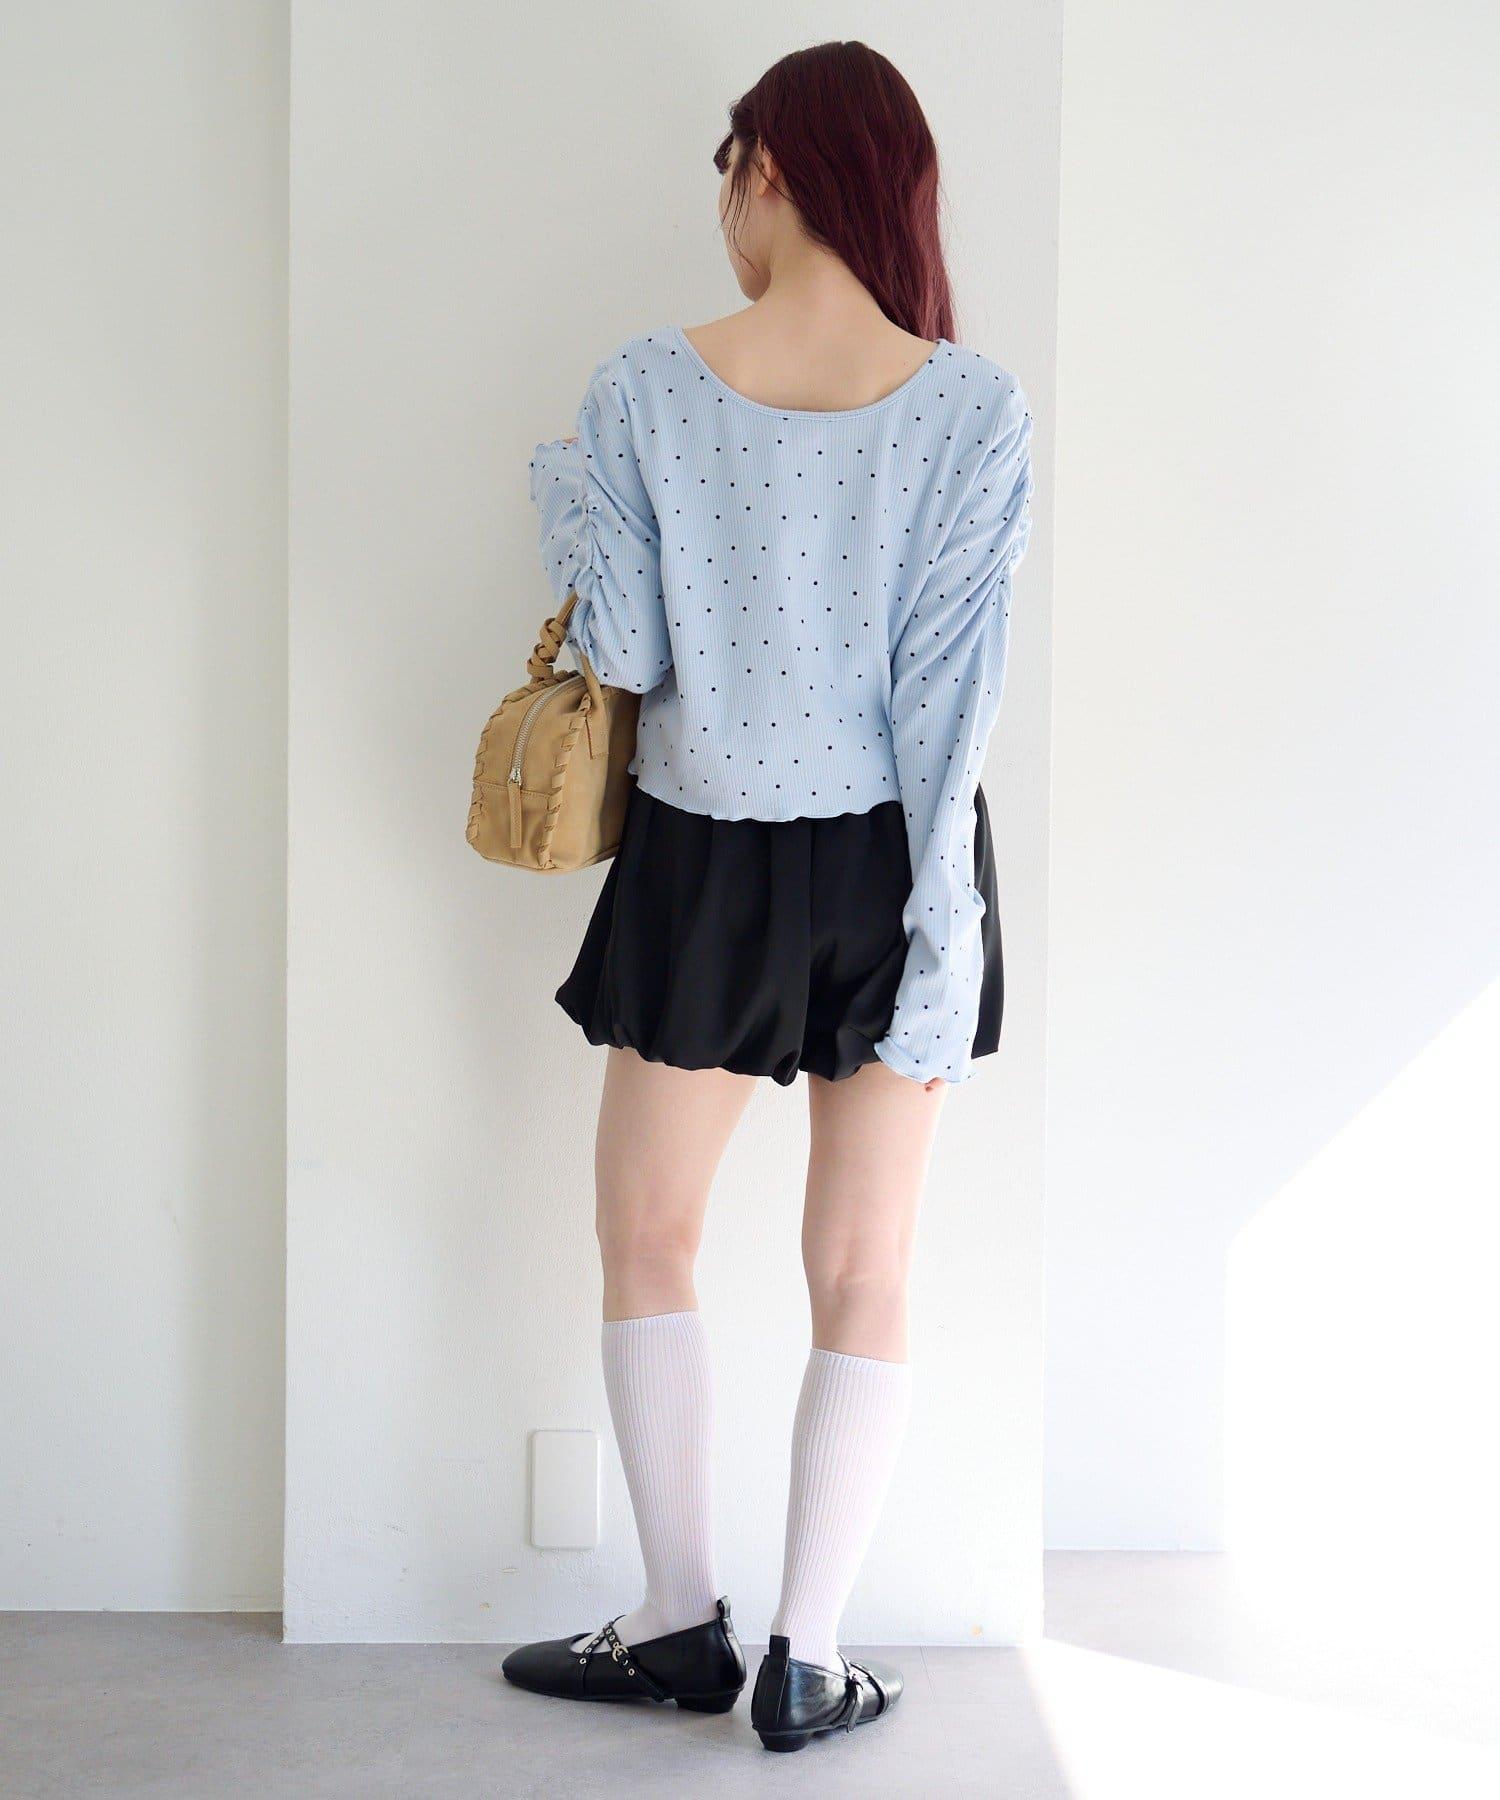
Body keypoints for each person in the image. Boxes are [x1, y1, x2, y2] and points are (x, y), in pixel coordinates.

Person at [501, 39, 1034, 1755]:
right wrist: (941, 928)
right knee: (865, 1268)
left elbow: (627, 648)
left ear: (773, 167)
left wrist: (565, 491)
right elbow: (953, 708)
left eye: (728, 171)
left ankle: (677, 1624)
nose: (723, 210)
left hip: (706, 854)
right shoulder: (973, 408)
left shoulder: (645, 389)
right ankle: (806, 1660)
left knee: (646, 1234)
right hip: (898, 854)